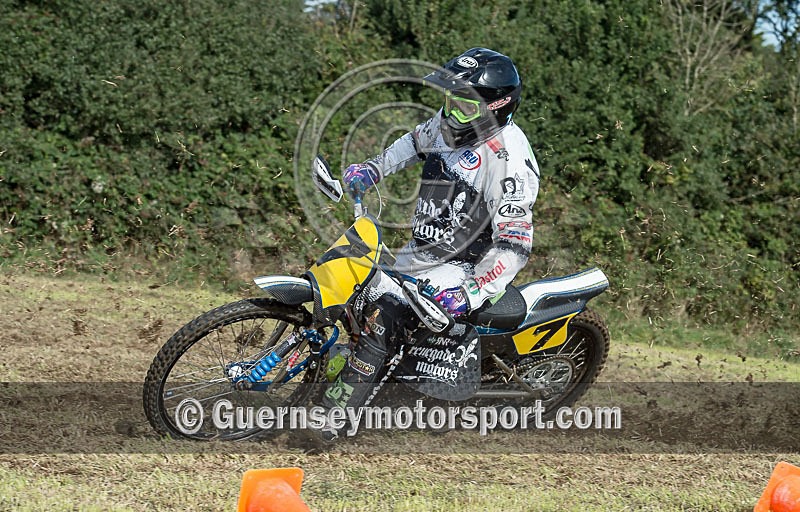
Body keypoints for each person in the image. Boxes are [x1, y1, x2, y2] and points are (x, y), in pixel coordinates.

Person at [316, 47, 540, 441]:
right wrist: (372, 169)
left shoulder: (508, 162)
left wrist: (471, 291)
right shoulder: (453, 121)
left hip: (467, 267)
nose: (451, 114)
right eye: (450, 101)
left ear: (496, 108)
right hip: (425, 250)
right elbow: (414, 142)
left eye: (464, 106)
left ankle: (332, 421)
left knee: (384, 317)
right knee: (359, 290)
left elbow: (514, 245)